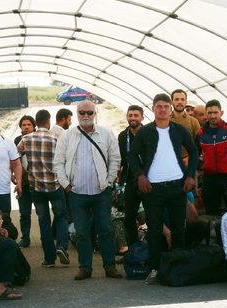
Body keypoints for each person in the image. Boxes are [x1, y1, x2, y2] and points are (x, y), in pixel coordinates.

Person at [130, 93, 198, 284]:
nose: (162, 109)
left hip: (177, 185)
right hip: (153, 189)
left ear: (170, 109)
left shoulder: (179, 130)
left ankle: (179, 268)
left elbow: (193, 151)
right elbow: (132, 156)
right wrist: (140, 175)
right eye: (158, 106)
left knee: (178, 229)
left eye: (165, 106)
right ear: (153, 109)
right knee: (154, 230)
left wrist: (190, 175)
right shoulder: (146, 132)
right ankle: (154, 268)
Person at [53, 100, 121, 280]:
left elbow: (115, 158)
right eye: (82, 112)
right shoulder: (67, 136)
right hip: (77, 193)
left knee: (105, 230)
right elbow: (58, 162)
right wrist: (66, 184)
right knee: (81, 232)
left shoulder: (106, 134)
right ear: (77, 114)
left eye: (89, 113)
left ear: (95, 114)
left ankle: (110, 266)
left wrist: (109, 181)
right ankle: (85, 268)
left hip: (101, 193)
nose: (85, 116)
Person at [17, 110, 70, 267]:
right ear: (48, 122)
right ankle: (61, 246)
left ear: (36, 122)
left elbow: (14, 156)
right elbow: (64, 160)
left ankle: (49, 259)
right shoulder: (56, 138)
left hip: (36, 187)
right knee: (61, 216)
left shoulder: (25, 139)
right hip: (54, 185)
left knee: (43, 221)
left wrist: (23, 170)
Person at [196, 99, 227, 215]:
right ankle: (215, 232)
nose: (212, 116)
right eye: (209, 113)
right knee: (211, 211)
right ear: (206, 114)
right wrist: (200, 166)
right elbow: (195, 154)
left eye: (215, 112)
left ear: (221, 113)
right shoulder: (200, 133)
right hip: (209, 178)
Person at [117, 105, 146, 247]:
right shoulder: (123, 136)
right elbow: (121, 159)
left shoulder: (149, 133)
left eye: (136, 115)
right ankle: (134, 250)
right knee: (129, 218)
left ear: (142, 117)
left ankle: (152, 250)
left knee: (151, 216)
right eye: (130, 115)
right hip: (130, 180)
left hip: (147, 180)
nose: (133, 118)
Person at [14, 115, 36, 248]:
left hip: (38, 181)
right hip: (23, 182)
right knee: (24, 212)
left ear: (34, 126)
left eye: (29, 124)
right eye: (24, 125)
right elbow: (14, 160)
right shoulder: (17, 140)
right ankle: (26, 237)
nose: (26, 127)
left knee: (42, 212)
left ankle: (48, 237)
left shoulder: (39, 138)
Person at [170, 89, 200, 160]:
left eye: (182, 99)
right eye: (177, 99)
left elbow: (199, 144)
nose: (180, 102)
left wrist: (190, 157)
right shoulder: (164, 121)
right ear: (171, 102)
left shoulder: (193, 122)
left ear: (186, 102)